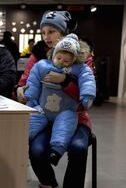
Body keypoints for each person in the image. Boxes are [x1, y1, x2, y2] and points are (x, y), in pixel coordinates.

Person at [16, 10, 94, 188]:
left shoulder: (81, 55)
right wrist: (21, 90)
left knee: (79, 147)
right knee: (37, 149)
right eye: (44, 32)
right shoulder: (38, 55)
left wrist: (67, 81)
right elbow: (24, 82)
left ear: (64, 33)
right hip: (45, 116)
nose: (47, 37)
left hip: (74, 117)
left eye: (52, 32)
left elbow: (88, 92)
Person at [25, 33, 96, 166]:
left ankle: (56, 151)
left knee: (65, 125)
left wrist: (87, 96)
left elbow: (87, 80)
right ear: (53, 54)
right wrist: (30, 99)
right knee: (32, 121)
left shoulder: (79, 69)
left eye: (66, 61)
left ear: (74, 60)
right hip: (43, 107)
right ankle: (20, 142)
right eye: (59, 58)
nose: (61, 62)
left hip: (66, 110)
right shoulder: (42, 65)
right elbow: (32, 81)